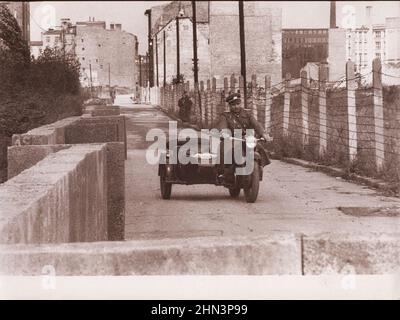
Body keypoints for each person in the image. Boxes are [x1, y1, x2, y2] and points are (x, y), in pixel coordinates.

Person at [215, 92, 272, 182]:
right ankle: (223, 173)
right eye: (233, 105)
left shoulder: (247, 114)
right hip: (232, 139)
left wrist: (263, 134)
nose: (236, 106)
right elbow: (222, 125)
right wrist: (224, 133)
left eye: (238, 104)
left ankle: (258, 167)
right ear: (229, 106)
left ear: (240, 103)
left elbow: (256, 124)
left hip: (246, 138)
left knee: (258, 147)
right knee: (224, 148)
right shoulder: (226, 115)